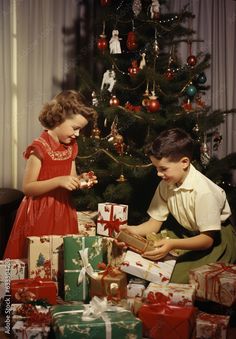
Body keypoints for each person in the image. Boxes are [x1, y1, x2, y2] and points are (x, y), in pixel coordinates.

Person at [117, 128, 236, 283]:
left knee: (175, 277)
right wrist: (131, 231)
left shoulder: (204, 192)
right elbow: (153, 224)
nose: (159, 174)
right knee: (147, 260)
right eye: (156, 168)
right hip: (188, 233)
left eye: (163, 169)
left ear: (184, 162)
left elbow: (207, 240)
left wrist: (172, 245)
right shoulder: (165, 184)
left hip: (213, 239)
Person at [4, 90, 97, 259]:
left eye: (80, 130)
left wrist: (81, 181)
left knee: (60, 259)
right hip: (40, 213)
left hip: (63, 210)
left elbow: (71, 178)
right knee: (40, 259)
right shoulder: (39, 148)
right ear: (58, 119)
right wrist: (59, 181)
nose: (77, 134)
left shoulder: (71, 146)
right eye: (75, 128)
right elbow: (28, 188)